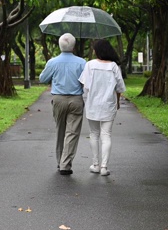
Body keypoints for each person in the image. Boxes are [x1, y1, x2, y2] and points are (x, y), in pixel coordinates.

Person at [39, 33, 86, 175]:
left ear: (60, 45)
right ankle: (66, 164)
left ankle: (60, 161)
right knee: (72, 132)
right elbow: (86, 82)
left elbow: (42, 79)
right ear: (73, 46)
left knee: (60, 129)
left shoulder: (52, 62)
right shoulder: (82, 62)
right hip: (76, 99)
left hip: (58, 99)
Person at [78, 39, 126, 176]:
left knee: (94, 134)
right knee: (106, 135)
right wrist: (117, 102)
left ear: (98, 51)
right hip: (108, 105)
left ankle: (95, 164)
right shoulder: (114, 67)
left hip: (92, 104)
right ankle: (104, 167)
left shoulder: (89, 65)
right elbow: (119, 88)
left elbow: (85, 85)